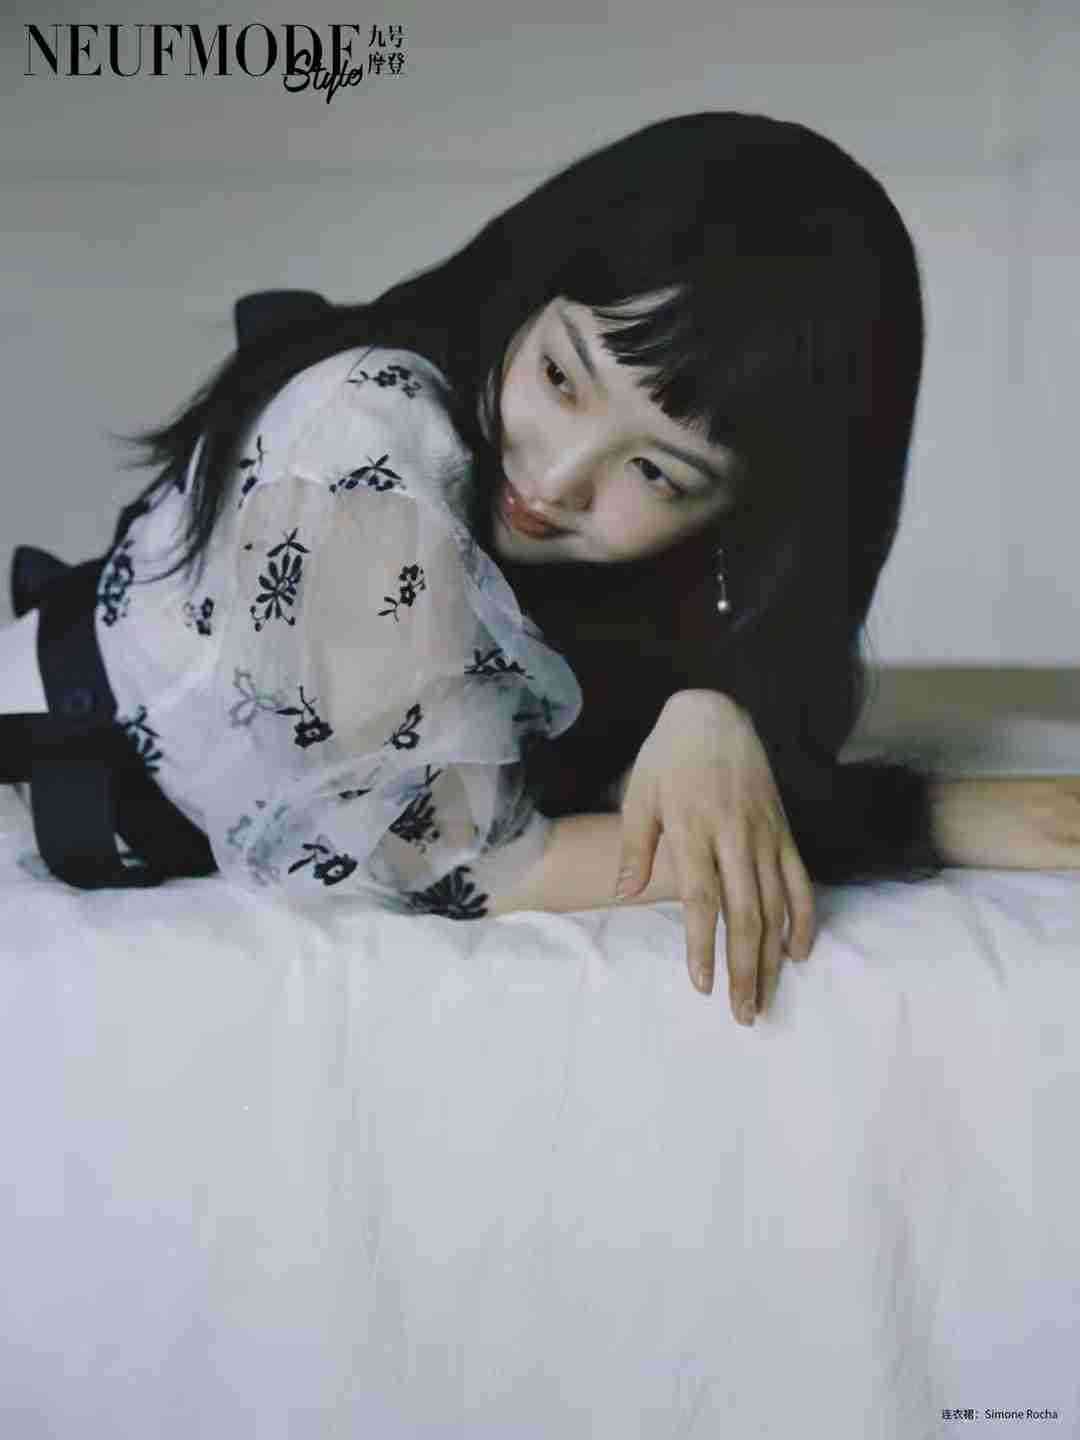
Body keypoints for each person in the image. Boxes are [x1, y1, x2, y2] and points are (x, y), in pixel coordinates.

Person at [4, 111, 1078, 1026]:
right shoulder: (365, 449)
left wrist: (709, 717)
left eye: (657, 472)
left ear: (754, 520)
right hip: (67, 757)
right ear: (535, 280)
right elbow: (478, 870)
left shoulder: (648, 576)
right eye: (564, 376)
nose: (558, 478)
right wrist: (915, 816)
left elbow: (584, 765)